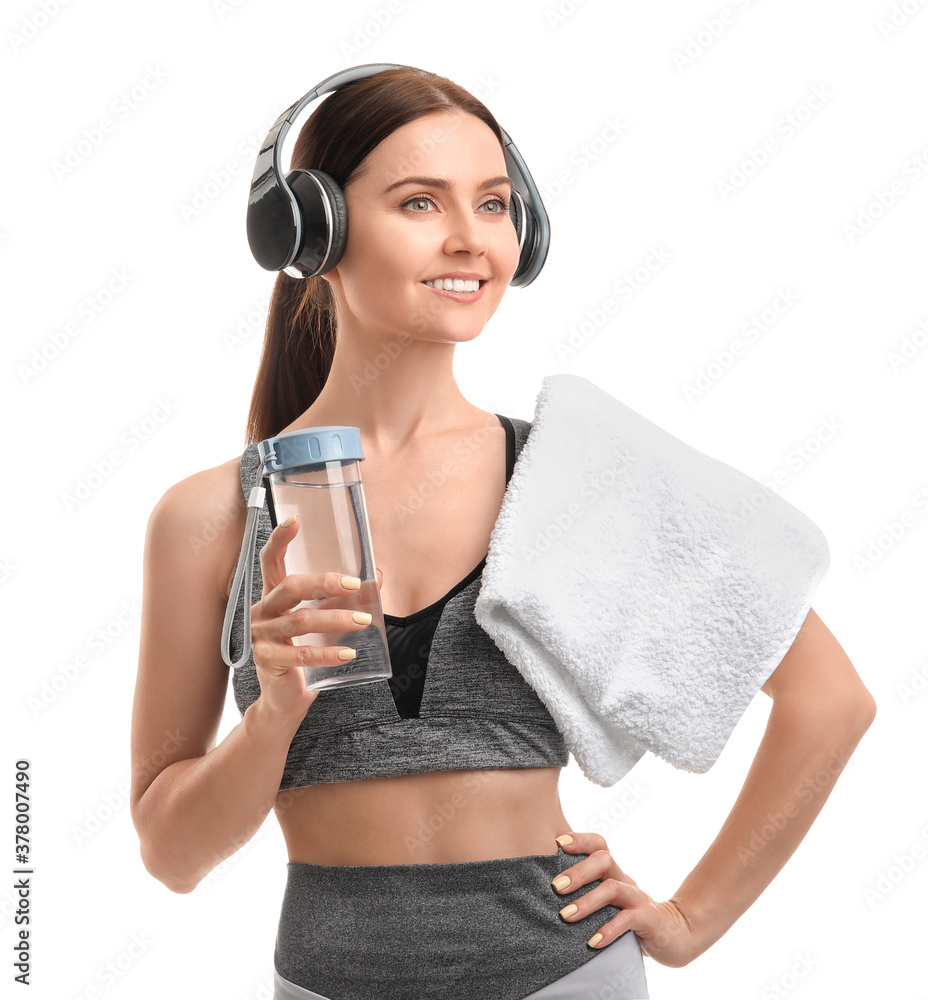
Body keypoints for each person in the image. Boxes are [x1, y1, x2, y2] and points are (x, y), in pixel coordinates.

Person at [129, 66, 876, 1000]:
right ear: (312, 229)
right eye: (418, 202)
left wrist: (691, 918)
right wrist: (275, 712)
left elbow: (830, 701)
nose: (468, 240)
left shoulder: (571, 474)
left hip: (564, 975)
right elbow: (171, 853)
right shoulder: (209, 520)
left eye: (492, 205)